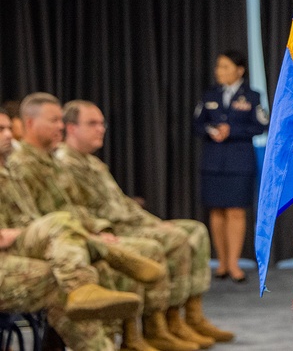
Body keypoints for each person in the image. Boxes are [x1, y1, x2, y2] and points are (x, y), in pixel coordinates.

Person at [7, 92, 188, 351]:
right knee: (83, 268)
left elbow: (77, 209)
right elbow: (39, 219)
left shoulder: (50, 162)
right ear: (30, 123)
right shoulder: (22, 164)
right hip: (44, 244)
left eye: (61, 120)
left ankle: (131, 335)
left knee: (93, 256)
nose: (61, 126)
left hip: (61, 238)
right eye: (54, 120)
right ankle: (113, 337)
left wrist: (97, 229)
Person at [57, 100, 234, 345]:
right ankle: (155, 326)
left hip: (130, 224)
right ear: (71, 128)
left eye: (101, 123)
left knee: (195, 229)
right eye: (92, 123)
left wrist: (156, 223)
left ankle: (187, 317)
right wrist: (100, 231)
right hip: (112, 231)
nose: (101, 129)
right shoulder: (65, 163)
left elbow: (124, 204)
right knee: (174, 240)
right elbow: (72, 209)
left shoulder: (92, 162)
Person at [192, 50, 267, 283]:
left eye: (225, 66)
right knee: (216, 210)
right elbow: (196, 124)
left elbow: (261, 125)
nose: (219, 71)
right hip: (213, 162)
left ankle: (234, 263)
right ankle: (222, 262)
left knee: (235, 210)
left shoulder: (252, 96)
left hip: (239, 161)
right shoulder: (210, 95)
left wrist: (232, 131)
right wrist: (210, 130)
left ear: (240, 70)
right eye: (218, 67)